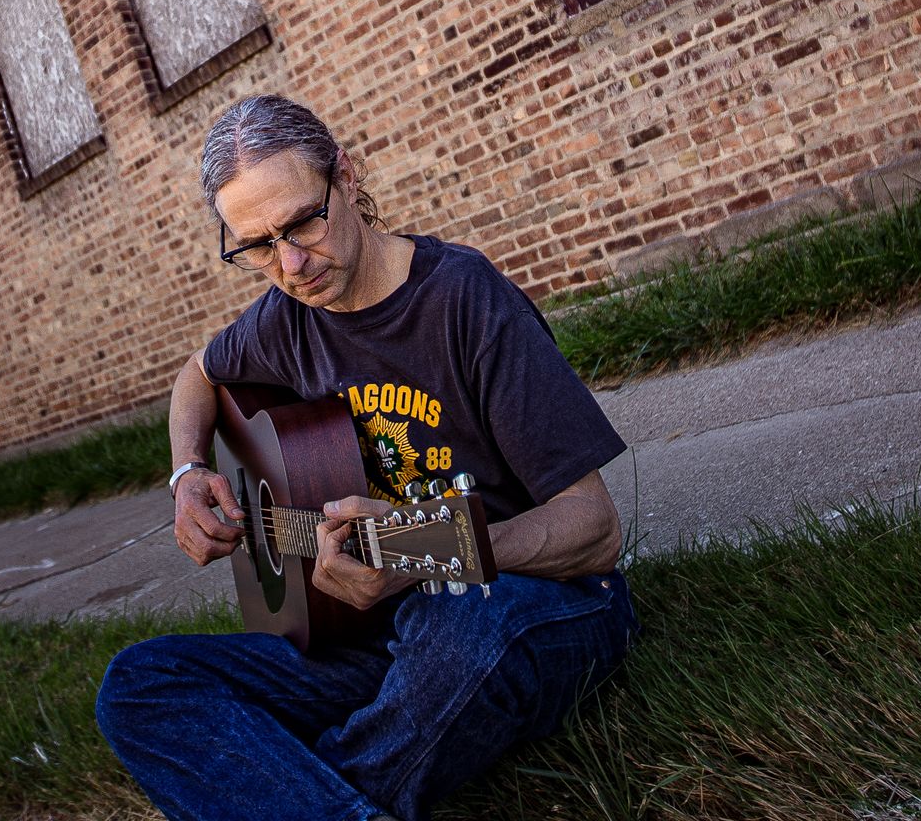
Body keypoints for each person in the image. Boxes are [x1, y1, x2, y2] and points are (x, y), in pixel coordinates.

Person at [96, 95, 638, 821]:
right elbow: (196, 375)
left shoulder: (466, 301)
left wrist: (421, 551)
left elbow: (595, 529)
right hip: (374, 631)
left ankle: (288, 788)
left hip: (528, 604)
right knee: (140, 685)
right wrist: (188, 472)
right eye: (257, 247)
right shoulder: (286, 318)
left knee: (460, 634)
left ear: (345, 178)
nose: (291, 264)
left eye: (303, 223)